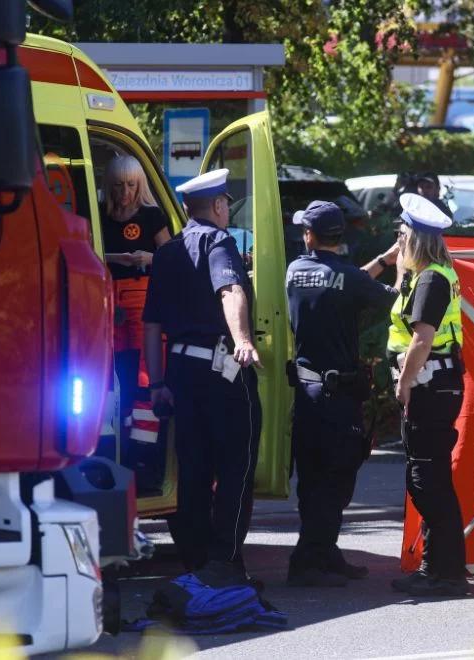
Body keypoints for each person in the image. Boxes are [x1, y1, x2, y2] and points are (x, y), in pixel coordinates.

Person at [142, 168, 264, 585]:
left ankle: (195, 564)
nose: (228, 209)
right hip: (221, 372)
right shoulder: (219, 241)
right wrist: (244, 339)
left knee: (193, 470)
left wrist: (157, 384)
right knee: (236, 467)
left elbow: (152, 325)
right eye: (227, 203)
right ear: (216, 206)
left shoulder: (168, 252)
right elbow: (230, 290)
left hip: (179, 372)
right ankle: (225, 565)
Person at [284, 200, 402, 587]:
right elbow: (389, 298)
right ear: (340, 236)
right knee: (336, 479)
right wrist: (399, 266)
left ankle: (324, 553)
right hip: (339, 397)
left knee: (313, 477)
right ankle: (309, 561)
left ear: (309, 235)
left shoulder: (295, 271)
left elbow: (346, 281)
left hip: (306, 391)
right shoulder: (349, 279)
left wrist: (381, 261)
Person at [387, 193, 469, 598]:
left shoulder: (433, 279)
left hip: (429, 388)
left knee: (427, 480)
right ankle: (435, 566)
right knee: (428, 478)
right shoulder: (428, 275)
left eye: (402, 235)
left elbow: (422, 340)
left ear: (416, 238)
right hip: (433, 387)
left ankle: (448, 572)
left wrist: (403, 384)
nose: (398, 241)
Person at [99, 155, 171, 465]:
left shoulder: (152, 216)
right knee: (113, 373)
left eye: (131, 185)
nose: (125, 192)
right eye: (118, 186)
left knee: (146, 373)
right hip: (105, 302)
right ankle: (115, 443)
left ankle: (145, 450)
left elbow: (172, 257)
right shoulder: (99, 216)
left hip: (141, 299)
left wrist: (149, 258)